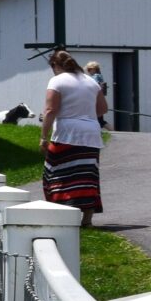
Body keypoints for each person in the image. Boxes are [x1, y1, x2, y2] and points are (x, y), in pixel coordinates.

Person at [39, 49, 108, 225]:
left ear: (55, 65)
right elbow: (102, 109)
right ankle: (87, 218)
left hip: (67, 133)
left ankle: (62, 213)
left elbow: (50, 110)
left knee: (56, 172)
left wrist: (43, 136)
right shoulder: (91, 82)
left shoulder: (57, 80)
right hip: (91, 134)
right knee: (87, 174)